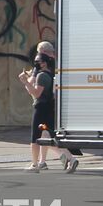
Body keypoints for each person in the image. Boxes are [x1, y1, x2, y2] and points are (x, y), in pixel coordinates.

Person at [17, 41, 78, 173]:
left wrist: (25, 82)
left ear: (42, 57)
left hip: (41, 107)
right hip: (52, 105)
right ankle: (49, 161)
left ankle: (36, 164)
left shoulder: (41, 74)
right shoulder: (54, 66)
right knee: (46, 134)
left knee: (36, 136)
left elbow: (36, 92)